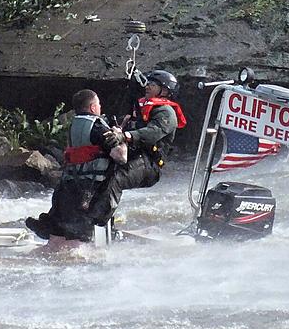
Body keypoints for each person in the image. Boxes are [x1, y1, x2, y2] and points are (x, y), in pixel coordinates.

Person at [85, 70, 187, 228]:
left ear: (165, 91)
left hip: (149, 164)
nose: (148, 86)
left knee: (116, 179)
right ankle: (80, 218)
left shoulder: (166, 112)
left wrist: (125, 136)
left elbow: (153, 133)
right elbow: (131, 107)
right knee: (99, 175)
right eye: (148, 83)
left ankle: (94, 222)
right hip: (135, 156)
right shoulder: (144, 108)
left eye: (153, 85)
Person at [25, 89, 125, 242]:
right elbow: (121, 157)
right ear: (93, 107)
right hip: (92, 187)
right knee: (81, 236)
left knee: (62, 231)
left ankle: (50, 233)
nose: (100, 107)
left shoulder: (74, 125)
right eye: (98, 104)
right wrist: (119, 135)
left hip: (69, 184)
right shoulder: (98, 127)